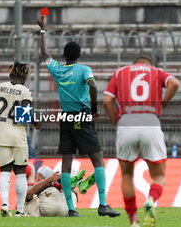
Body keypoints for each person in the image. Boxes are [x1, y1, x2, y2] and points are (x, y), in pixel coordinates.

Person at [37, 15, 120, 218]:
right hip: (82, 117)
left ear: (64, 56)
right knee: (98, 160)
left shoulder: (57, 69)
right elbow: (92, 85)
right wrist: (93, 109)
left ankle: (71, 209)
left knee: (66, 163)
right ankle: (102, 205)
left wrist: (42, 31)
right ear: (79, 55)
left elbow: (44, 53)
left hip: (66, 118)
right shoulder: (83, 69)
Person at [103, 56, 179, 227]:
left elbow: (107, 101)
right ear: (148, 64)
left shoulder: (120, 72)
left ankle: (133, 220)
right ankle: (151, 199)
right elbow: (175, 83)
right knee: (159, 175)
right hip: (150, 121)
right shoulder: (156, 72)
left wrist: (117, 123)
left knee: (127, 174)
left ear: (135, 64)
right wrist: (163, 102)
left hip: (126, 122)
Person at [0, 61, 40, 217]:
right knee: (21, 172)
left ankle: (4, 204)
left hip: (1, 134)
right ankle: (20, 211)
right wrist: (35, 122)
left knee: (4, 172)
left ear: (10, 75)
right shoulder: (24, 91)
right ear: (25, 76)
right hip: (17, 135)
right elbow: (23, 113)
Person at [25, 166, 94, 217]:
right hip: (69, 208)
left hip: (49, 208)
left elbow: (28, 194)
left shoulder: (27, 197)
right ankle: (78, 183)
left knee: (42, 171)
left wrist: (50, 179)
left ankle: (68, 181)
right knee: (42, 171)